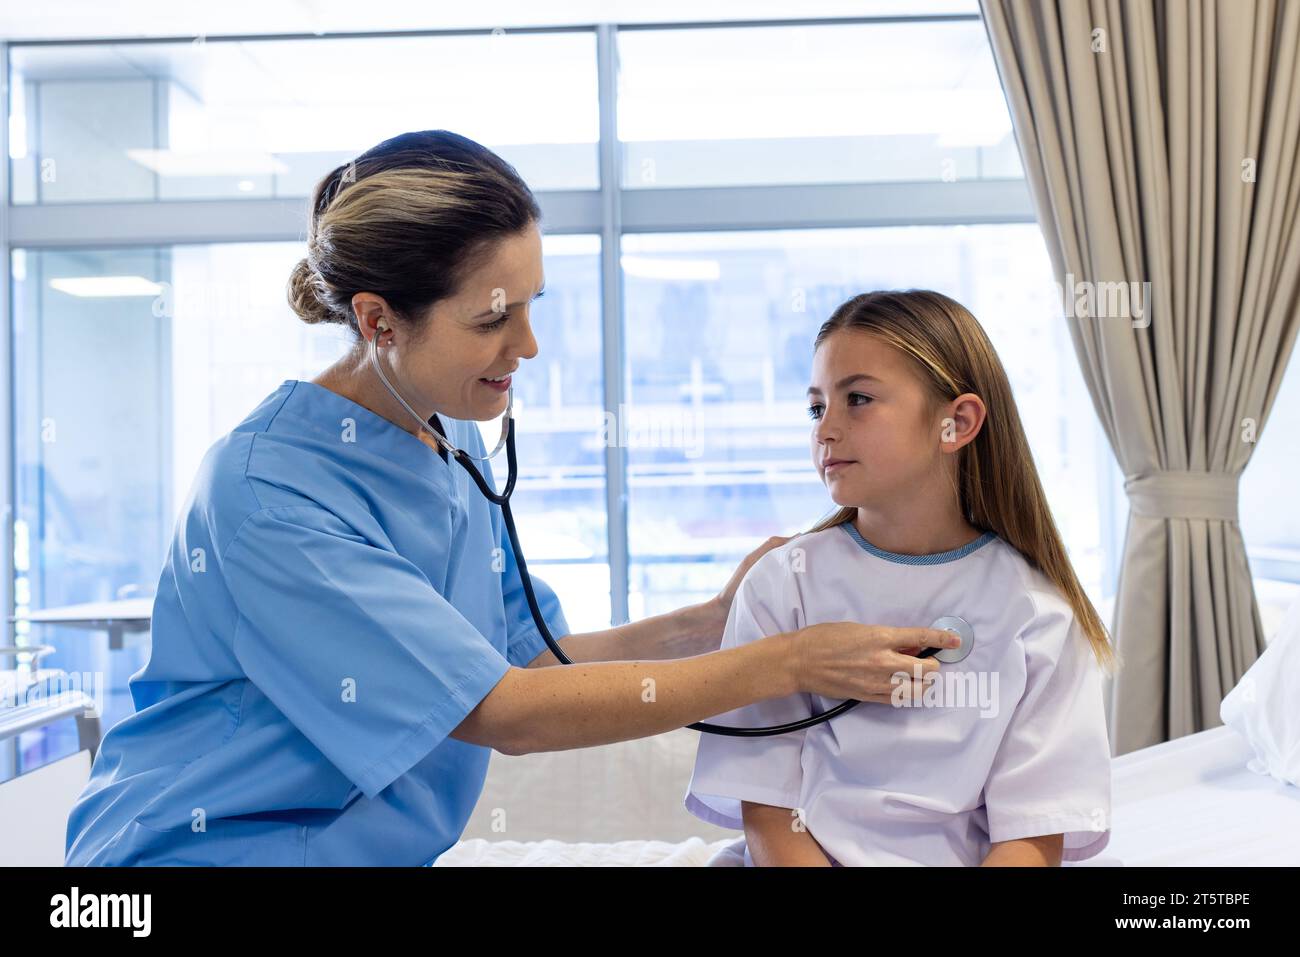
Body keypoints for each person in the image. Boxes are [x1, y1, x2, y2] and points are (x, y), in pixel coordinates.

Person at [64, 132, 959, 866]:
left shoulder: (443, 434)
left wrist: (715, 619)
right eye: (493, 318)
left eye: (532, 305)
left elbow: (530, 660)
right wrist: (793, 661)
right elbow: (505, 712)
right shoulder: (268, 491)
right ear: (378, 322)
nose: (527, 344)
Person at [684, 290, 1119, 866]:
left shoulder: (1036, 611)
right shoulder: (782, 585)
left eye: (857, 399)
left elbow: (1034, 830)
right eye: (817, 408)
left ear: (956, 422)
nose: (825, 431)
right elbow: (765, 805)